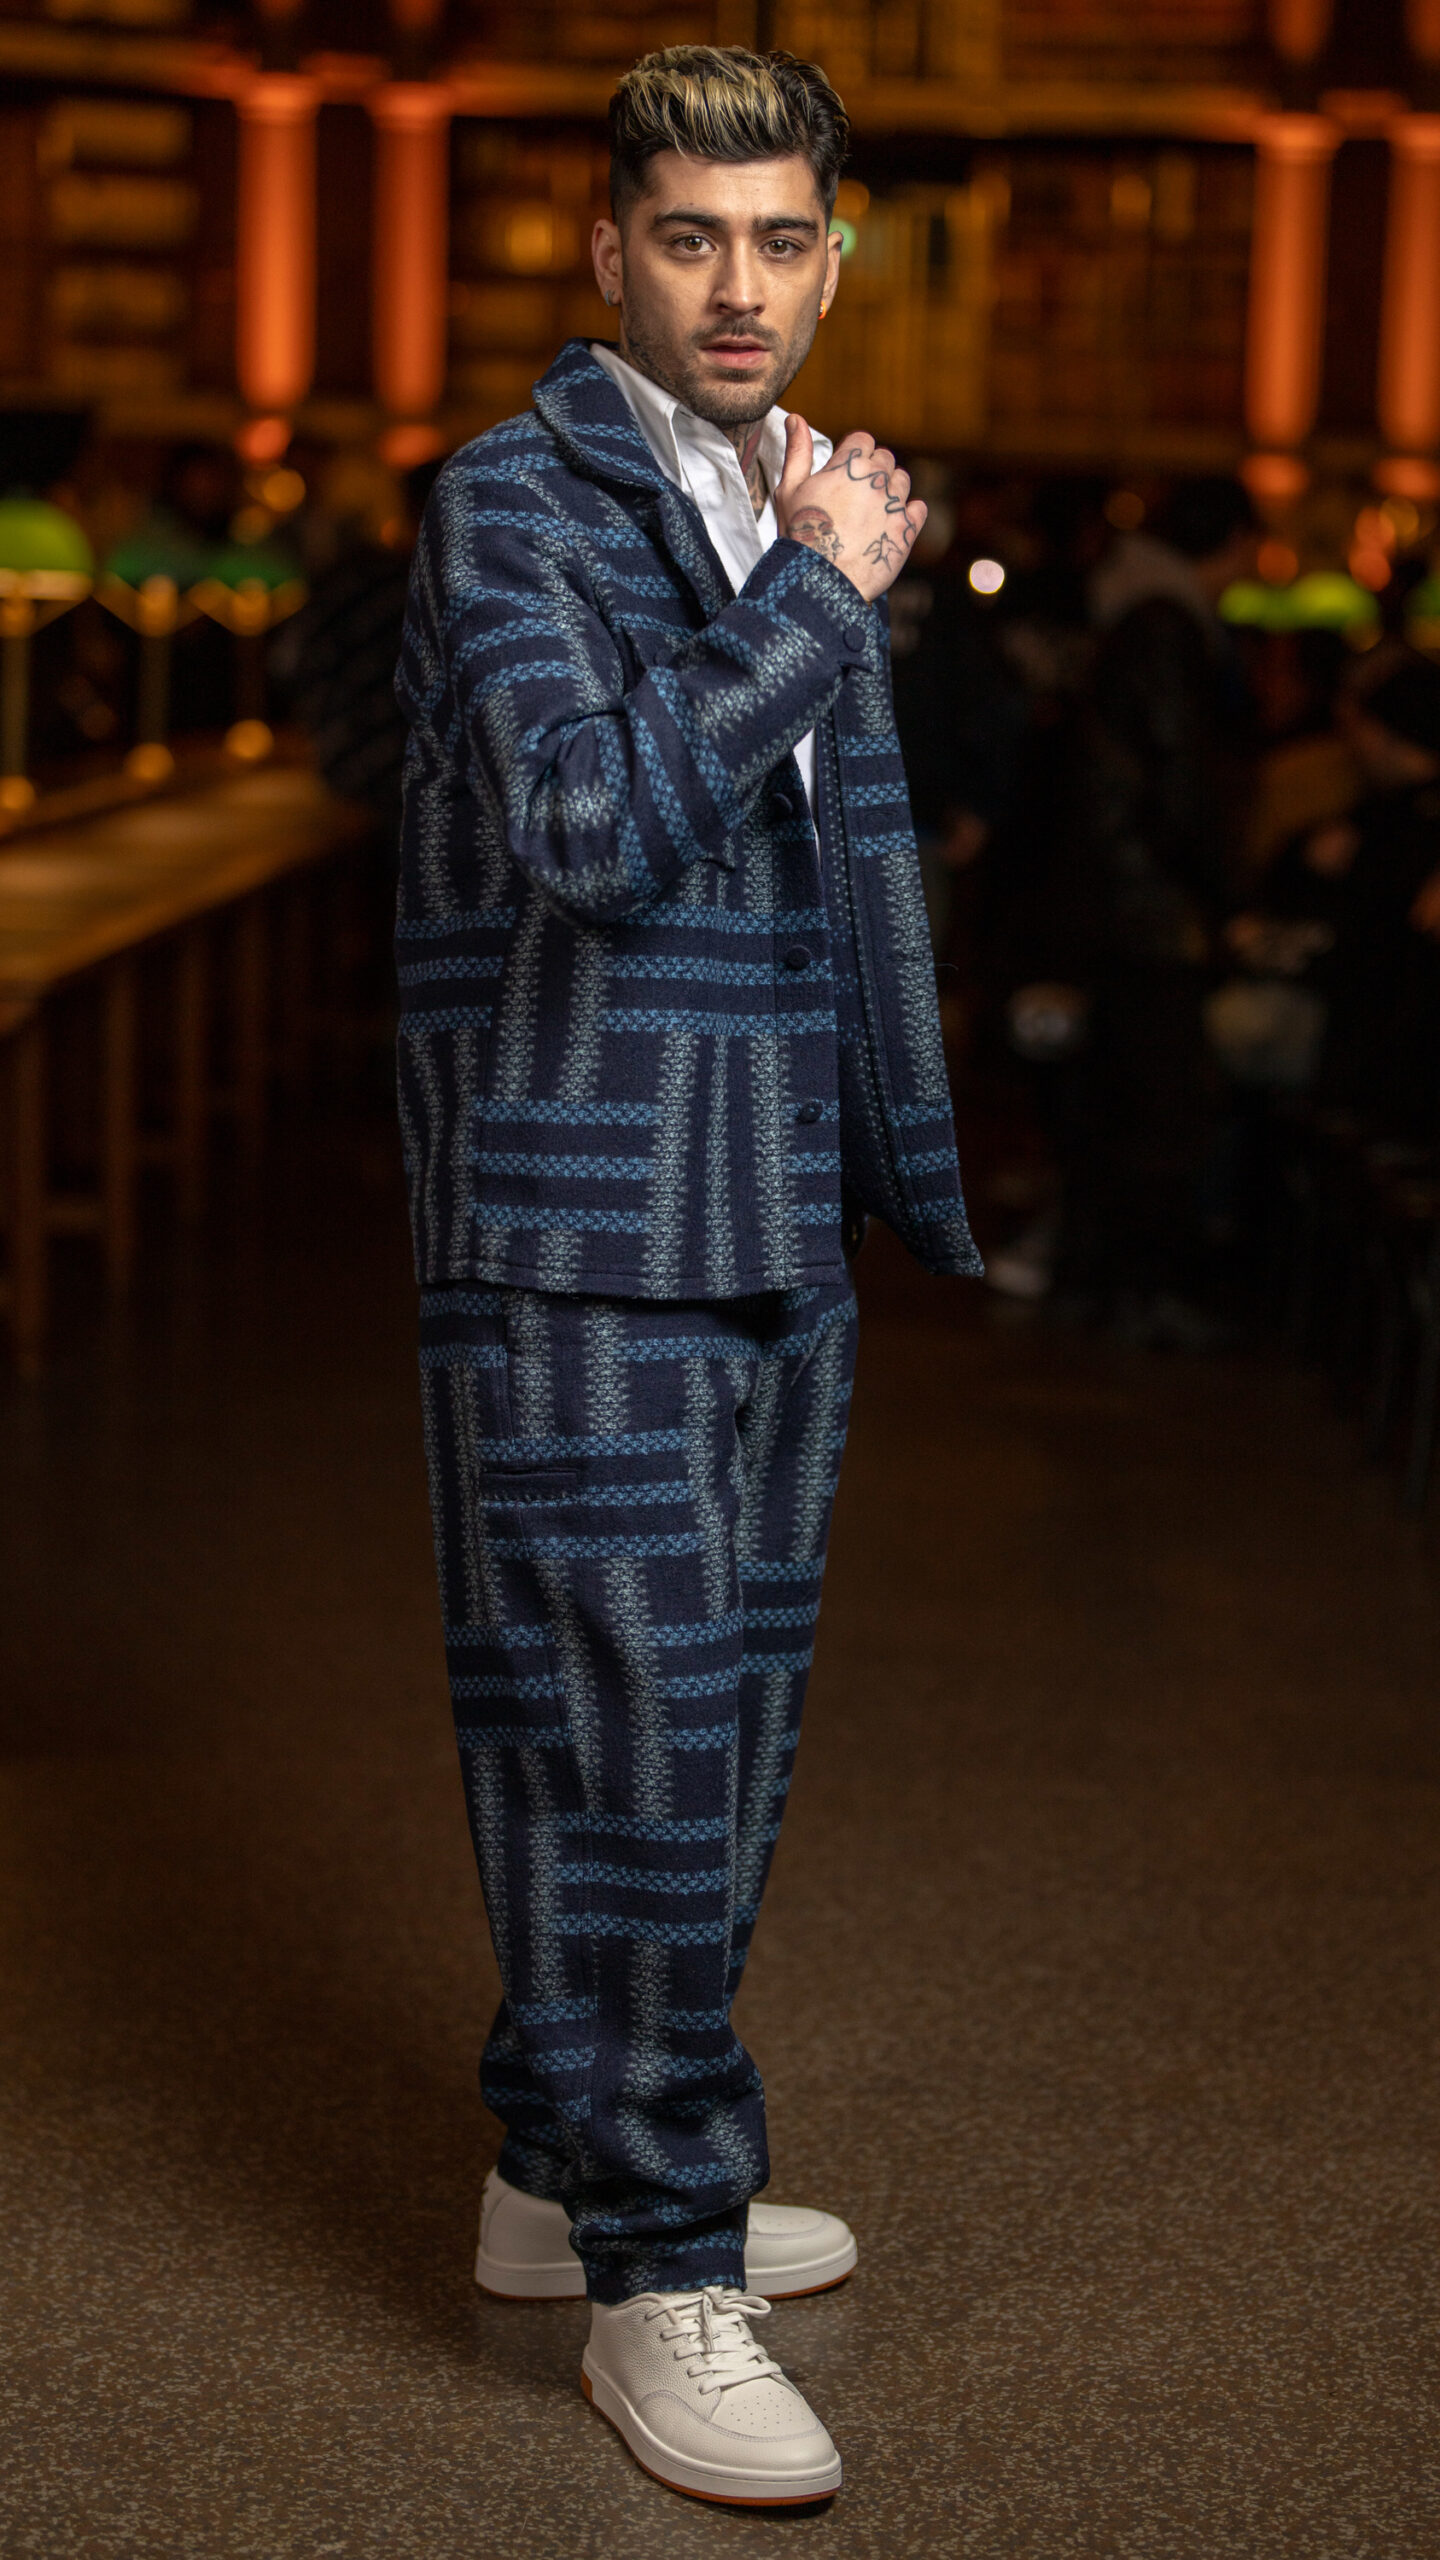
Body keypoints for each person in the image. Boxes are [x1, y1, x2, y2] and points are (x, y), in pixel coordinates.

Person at [394, 43, 979, 2511]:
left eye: (782, 239)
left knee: (718, 1742)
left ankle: (562, 2168)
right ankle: (661, 2264)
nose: (741, 284)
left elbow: (821, 862)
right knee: (621, 1750)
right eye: (691, 237)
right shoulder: (509, 501)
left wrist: (889, 1168)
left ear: (833, 259)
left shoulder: (777, 483)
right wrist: (827, 597)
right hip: (580, 1219)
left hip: (772, 1206)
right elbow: (588, 823)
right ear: (605, 250)